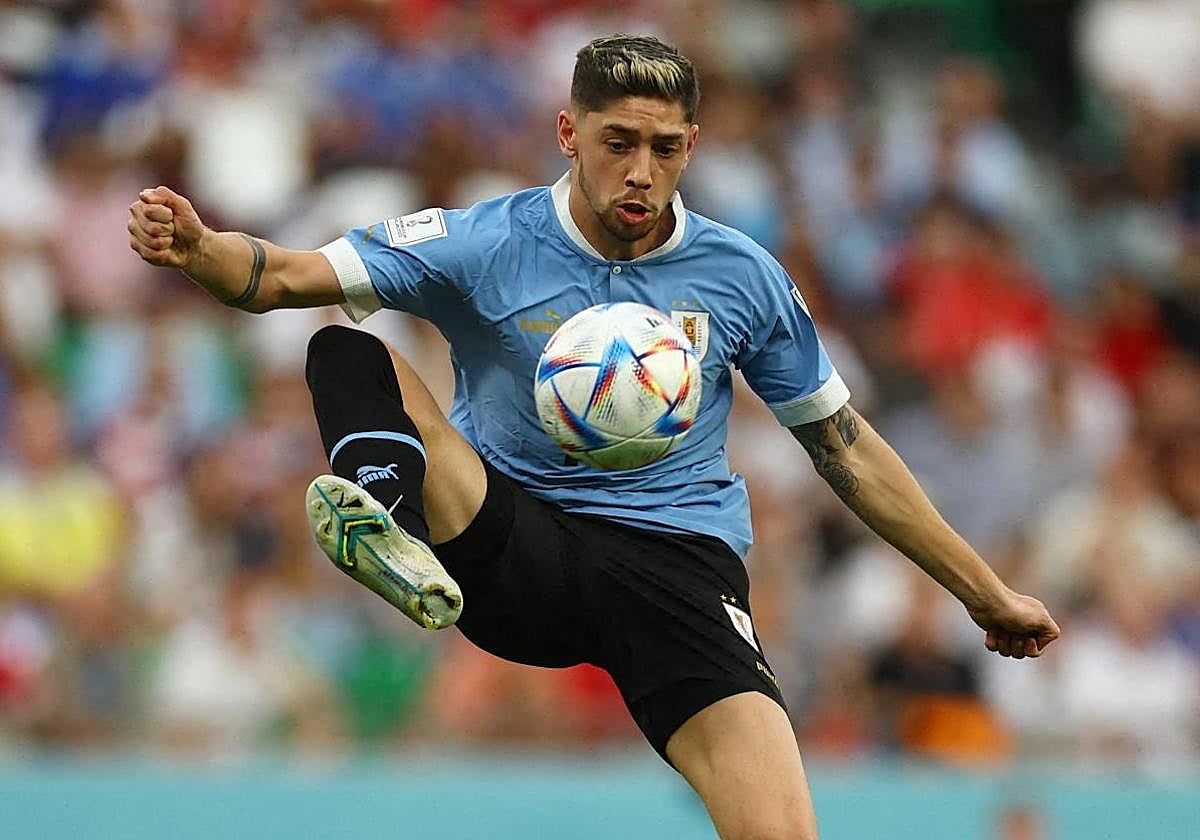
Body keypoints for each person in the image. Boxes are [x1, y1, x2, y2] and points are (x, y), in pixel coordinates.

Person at [127, 34, 1060, 840]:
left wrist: (984, 592)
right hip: (510, 541)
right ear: (569, 133)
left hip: (678, 567)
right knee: (345, 347)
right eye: (618, 143)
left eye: (664, 148)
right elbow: (284, 277)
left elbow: (845, 447)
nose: (641, 171)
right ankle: (391, 526)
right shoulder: (485, 242)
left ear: (692, 147)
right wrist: (200, 250)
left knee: (782, 831)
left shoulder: (742, 277)